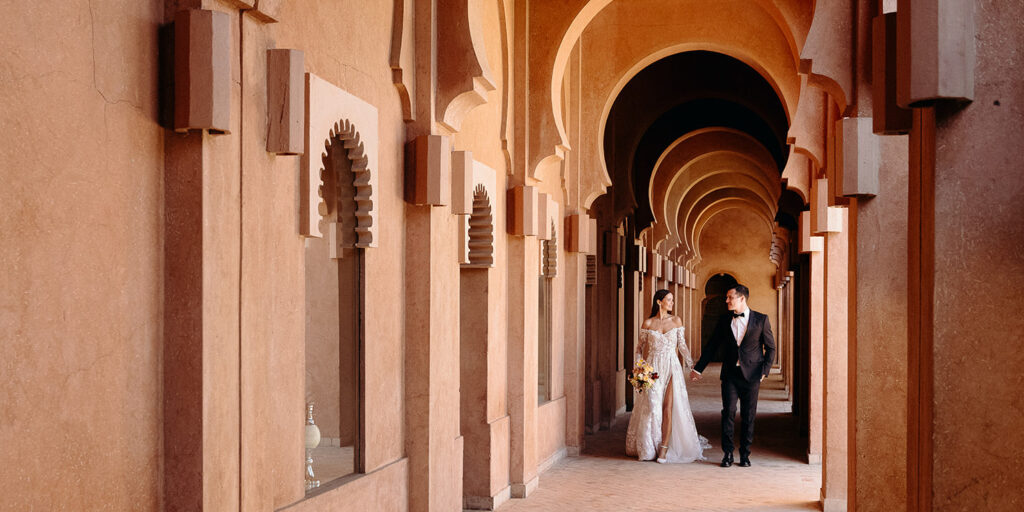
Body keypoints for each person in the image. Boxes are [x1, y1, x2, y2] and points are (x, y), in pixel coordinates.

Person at [690, 284, 776, 468]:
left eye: (730, 297)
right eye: (727, 298)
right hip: (730, 374)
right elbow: (712, 345)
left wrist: (764, 371)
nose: (726, 300)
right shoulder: (724, 320)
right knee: (728, 412)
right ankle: (727, 453)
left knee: (749, 415)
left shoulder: (761, 320)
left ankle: (745, 454)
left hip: (752, 375)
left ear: (742, 298)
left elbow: (771, 348)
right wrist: (698, 368)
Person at [625, 289, 708, 463]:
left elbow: (682, 345)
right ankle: (649, 447)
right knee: (653, 407)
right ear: (659, 302)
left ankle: (663, 449)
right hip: (652, 369)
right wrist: (640, 369)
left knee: (668, 408)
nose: (671, 303)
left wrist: (691, 364)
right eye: (668, 300)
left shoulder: (676, 320)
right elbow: (639, 349)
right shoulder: (648, 323)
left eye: (672, 300)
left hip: (671, 367)